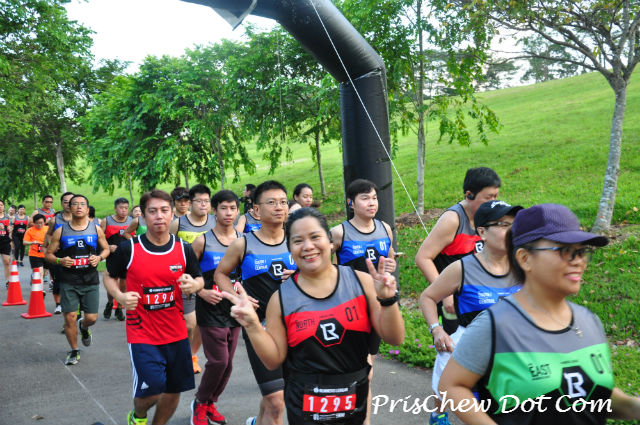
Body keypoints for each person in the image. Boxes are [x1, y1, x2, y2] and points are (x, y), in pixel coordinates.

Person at [439, 203, 640, 424]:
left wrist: (633, 407)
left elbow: (592, 395)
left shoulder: (589, 321)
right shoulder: (496, 326)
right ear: (524, 258)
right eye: (564, 250)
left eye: (582, 251)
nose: (578, 261)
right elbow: (451, 386)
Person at [224, 207, 405, 425]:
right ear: (290, 249)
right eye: (298, 241)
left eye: (315, 237)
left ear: (330, 242)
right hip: (305, 409)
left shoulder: (361, 283)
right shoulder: (280, 300)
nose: (308, 246)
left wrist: (388, 300)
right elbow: (273, 361)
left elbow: (395, 338)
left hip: (354, 405)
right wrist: (252, 324)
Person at [104, 189, 204, 425]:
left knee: (174, 390)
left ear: (172, 214)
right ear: (143, 216)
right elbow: (108, 276)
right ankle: (137, 416)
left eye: (164, 210)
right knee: (153, 391)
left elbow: (199, 278)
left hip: (177, 333)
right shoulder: (130, 249)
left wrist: (194, 285)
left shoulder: (183, 248)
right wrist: (119, 295)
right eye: (152, 211)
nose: (159, 216)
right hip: (142, 334)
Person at [419, 200, 522, 425]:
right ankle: (439, 415)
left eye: (514, 225)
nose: (511, 231)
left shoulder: (523, 266)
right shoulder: (462, 268)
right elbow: (427, 297)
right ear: (482, 232)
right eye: (503, 225)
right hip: (470, 351)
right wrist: (436, 330)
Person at [214, 180, 297, 425]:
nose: (279, 207)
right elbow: (220, 274)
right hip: (260, 329)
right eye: (271, 202)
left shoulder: (298, 240)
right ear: (256, 210)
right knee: (276, 402)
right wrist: (237, 296)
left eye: (283, 202)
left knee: (281, 397)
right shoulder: (243, 244)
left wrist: (301, 275)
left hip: (298, 327)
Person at [329, 178, 396, 425]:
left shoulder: (385, 228)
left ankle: (363, 420)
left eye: (374, 198)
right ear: (351, 202)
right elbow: (326, 269)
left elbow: (390, 259)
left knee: (367, 371)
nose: (371, 203)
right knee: (345, 371)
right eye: (365, 198)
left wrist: (390, 266)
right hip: (346, 309)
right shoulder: (339, 233)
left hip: (376, 307)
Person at [415, 167, 501, 337]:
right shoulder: (453, 220)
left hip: (480, 297)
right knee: (454, 348)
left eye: (496, 196)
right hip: (454, 303)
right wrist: (444, 294)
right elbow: (422, 258)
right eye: (488, 197)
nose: (493, 202)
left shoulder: (490, 217)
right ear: (469, 195)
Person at [189, 190, 242, 425]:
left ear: (238, 211)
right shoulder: (202, 241)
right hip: (210, 309)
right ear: (214, 210)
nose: (228, 213)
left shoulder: (243, 240)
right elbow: (187, 273)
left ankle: (211, 402)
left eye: (232, 208)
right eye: (223, 208)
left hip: (235, 309)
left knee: (228, 365)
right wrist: (201, 291)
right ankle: (199, 403)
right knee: (218, 361)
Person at [45, 194, 110, 365]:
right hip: (69, 280)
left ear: (87, 209)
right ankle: (74, 350)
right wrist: (60, 261)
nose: (79, 207)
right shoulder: (61, 230)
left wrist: (99, 258)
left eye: (82, 204)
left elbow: (106, 249)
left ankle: (84, 327)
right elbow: (48, 254)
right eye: (75, 204)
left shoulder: (96, 229)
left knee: (92, 318)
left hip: (90, 280)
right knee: (69, 317)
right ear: (69, 208)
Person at [169, 184, 217, 374]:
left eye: (207, 201)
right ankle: (178, 352)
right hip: (184, 279)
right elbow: (168, 247)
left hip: (211, 279)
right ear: (191, 203)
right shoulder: (178, 224)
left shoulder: (215, 221)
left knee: (200, 324)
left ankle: (191, 356)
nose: (203, 204)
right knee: (190, 322)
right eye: (199, 201)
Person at [102, 197, 133, 321]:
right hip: (112, 256)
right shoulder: (107, 221)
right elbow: (99, 238)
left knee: (124, 283)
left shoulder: (131, 220)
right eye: (121, 208)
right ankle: (110, 303)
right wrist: (108, 247)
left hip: (127, 255)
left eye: (126, 208)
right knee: (112, 281)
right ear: (115, 208)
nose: (124, 210)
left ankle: (119, 308)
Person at [46, 192, 74, 314]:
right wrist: (52, 244)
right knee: (58, 280)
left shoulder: (81, 218)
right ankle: (58, 304)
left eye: (71, 202)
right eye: (65, 202)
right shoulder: (54, 220)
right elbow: (48, 234)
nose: (68, 204)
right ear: (62, 203)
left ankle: (73, 303)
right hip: (59, 255)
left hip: (75, 253)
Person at [23, 214, 48, 282]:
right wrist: (32, 242)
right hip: (35, 254)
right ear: (34, 223)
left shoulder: (48, 229)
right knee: (40, 273)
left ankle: (34, 276)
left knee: (44, 273)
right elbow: (24, 242)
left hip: (46, 254)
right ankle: (40, 288)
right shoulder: (30, 230)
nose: (39, 225)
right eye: (37, 223)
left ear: (44, 222)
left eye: (41, 223)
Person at [0, 200, 12, 287]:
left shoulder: (7, 217)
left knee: (7, 261)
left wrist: (9, 230)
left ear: (4, 206)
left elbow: (10, 228)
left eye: (1, 205)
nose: (0, 207)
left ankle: (8, 281)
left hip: (5, 241)